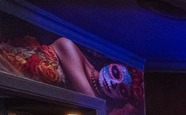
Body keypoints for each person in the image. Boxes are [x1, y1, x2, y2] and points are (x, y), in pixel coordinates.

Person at [0, 36, 140, 102]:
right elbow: (90, 101)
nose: (116, 83)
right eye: (117, 73)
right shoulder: (69, 47)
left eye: (122, 90)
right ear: (111, 64)